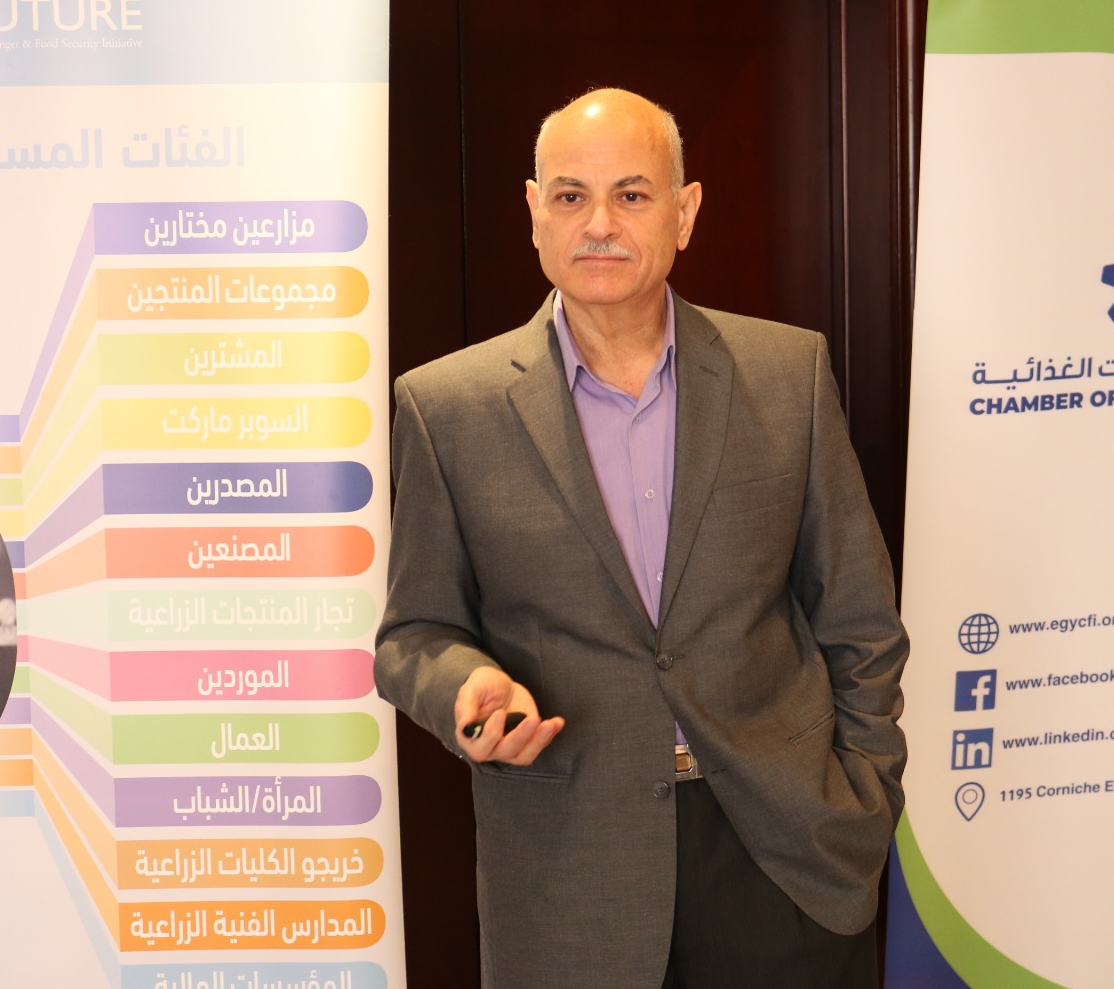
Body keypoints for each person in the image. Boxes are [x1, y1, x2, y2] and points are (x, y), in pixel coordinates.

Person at [374, 88, 908, 989]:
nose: (599, 224)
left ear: (683, 212)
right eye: (571, 196)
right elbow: (412, 633)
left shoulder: (788, 373)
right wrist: (466, 686)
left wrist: (864, 792)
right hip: (571, 869)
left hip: (782, 851)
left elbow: (857, 616)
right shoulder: (446, 407)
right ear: (535, 213)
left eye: (631, 194)